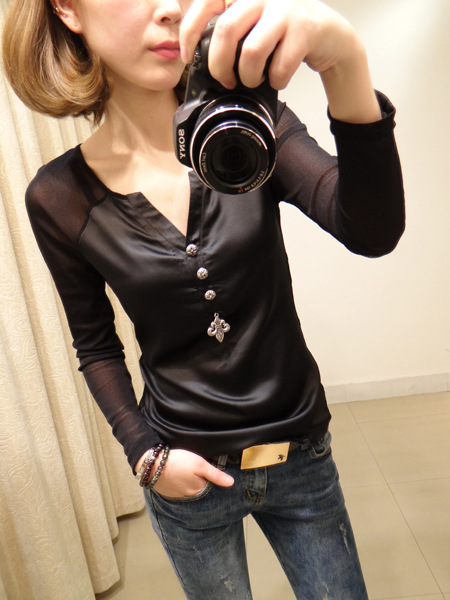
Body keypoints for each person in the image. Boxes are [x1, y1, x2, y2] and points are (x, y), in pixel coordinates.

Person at [2, 0, 405, 597]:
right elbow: (96, 346)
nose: (170, 8)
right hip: (185, 473)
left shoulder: (250, 127)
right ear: (66, 8)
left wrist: (344, 60)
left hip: (299, 452)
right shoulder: (59, 196)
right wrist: (146, 456)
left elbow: (372, 231)